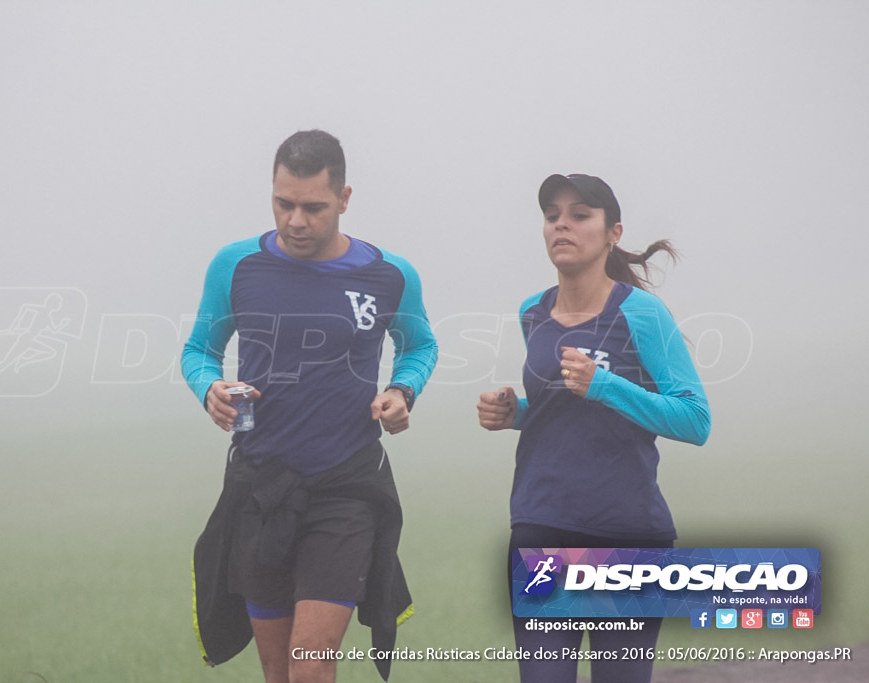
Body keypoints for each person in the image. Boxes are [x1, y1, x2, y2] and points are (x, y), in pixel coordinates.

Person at [182, 130, 437, 683]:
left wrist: (402, 391)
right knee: (279, 674)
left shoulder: (390, 275)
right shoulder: (236, 265)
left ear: (344, 199)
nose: (296, 220)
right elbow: (200, 350)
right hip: (262, 490)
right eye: (284, 203)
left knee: (310, 669)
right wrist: (209, 388)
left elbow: (419, 346)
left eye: (314, 207)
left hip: (346, 490)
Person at [477, 173, 711, 683]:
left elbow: (696, 419)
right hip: (540, 526)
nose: (562, 224)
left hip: (626, 533)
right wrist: (512, 411)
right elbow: (558, 407)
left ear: (613, 232)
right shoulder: (531, 313)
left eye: (580, 215)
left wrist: (605, 385)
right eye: (552, 215)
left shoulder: (641, 313)